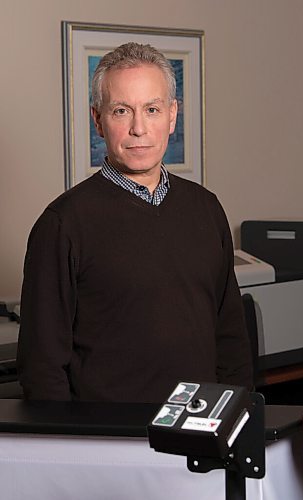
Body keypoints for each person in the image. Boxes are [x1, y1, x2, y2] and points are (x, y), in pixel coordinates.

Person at [17, 42, 252, 402]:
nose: (139, 128)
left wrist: (235, 419)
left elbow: (230, 338)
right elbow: (42, 368)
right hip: (110, 445)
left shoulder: (205, 208)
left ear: (172, 116)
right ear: (98, 120)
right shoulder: (63, 225)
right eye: (122, 110)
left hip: (200, 436)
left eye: (152, 109)